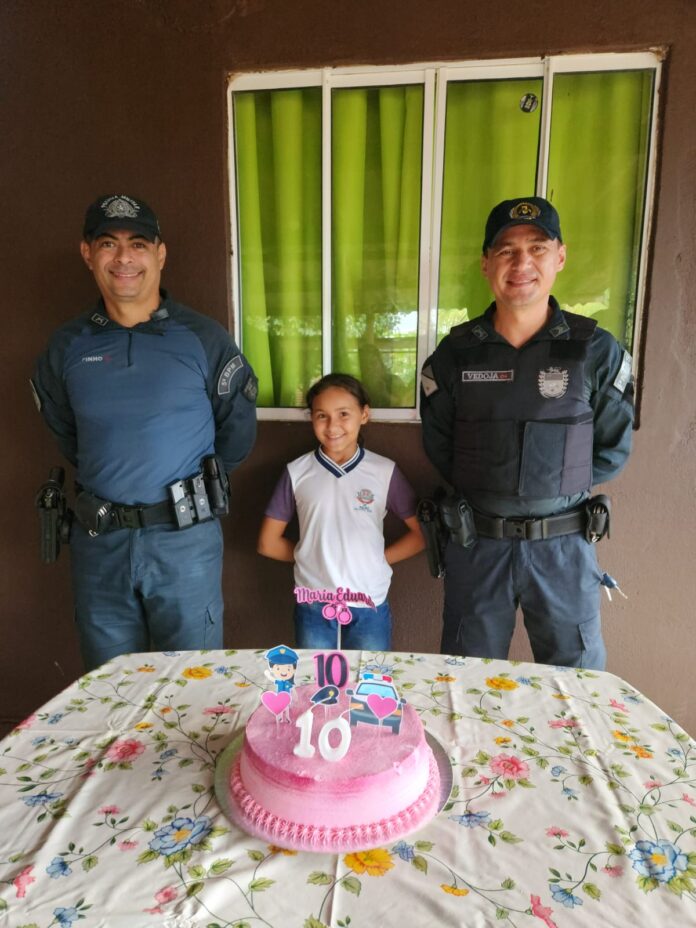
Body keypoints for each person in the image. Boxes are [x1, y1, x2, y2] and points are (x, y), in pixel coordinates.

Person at [31, 194, 258, 670]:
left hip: (184, 543)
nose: (124, 258)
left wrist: (185, 487)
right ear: (87, 253)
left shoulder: (204, 338)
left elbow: (235, 432)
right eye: (108, 243)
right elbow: (68, 433)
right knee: (110, 688)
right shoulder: (67, 346)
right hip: (100, 544)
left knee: (192, 685)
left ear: (160, 253)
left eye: (138, 243)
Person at [420, 196, 634, 670]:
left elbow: (612, 450)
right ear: (485, 263)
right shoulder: (455, 355)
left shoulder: (596, 352)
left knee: (578, 689)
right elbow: (440, 446)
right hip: (478, 547)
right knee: (464, 682)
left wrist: (549, 487)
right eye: (506, 251)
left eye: (537, 248)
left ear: (560, 256)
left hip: (563, 551)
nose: (522, 263)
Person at [257, 373, 425, 650]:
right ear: (311, 418)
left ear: (365, 414)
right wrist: (311, 556)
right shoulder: (296, 472)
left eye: (344, 414)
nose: (333, 425)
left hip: (369, 602)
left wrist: (377, 559)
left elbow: (421, 535)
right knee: (318, 688)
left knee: (367, 684)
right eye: (321, 415)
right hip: (313, 604)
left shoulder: (384, 471)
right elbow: (268, 543)